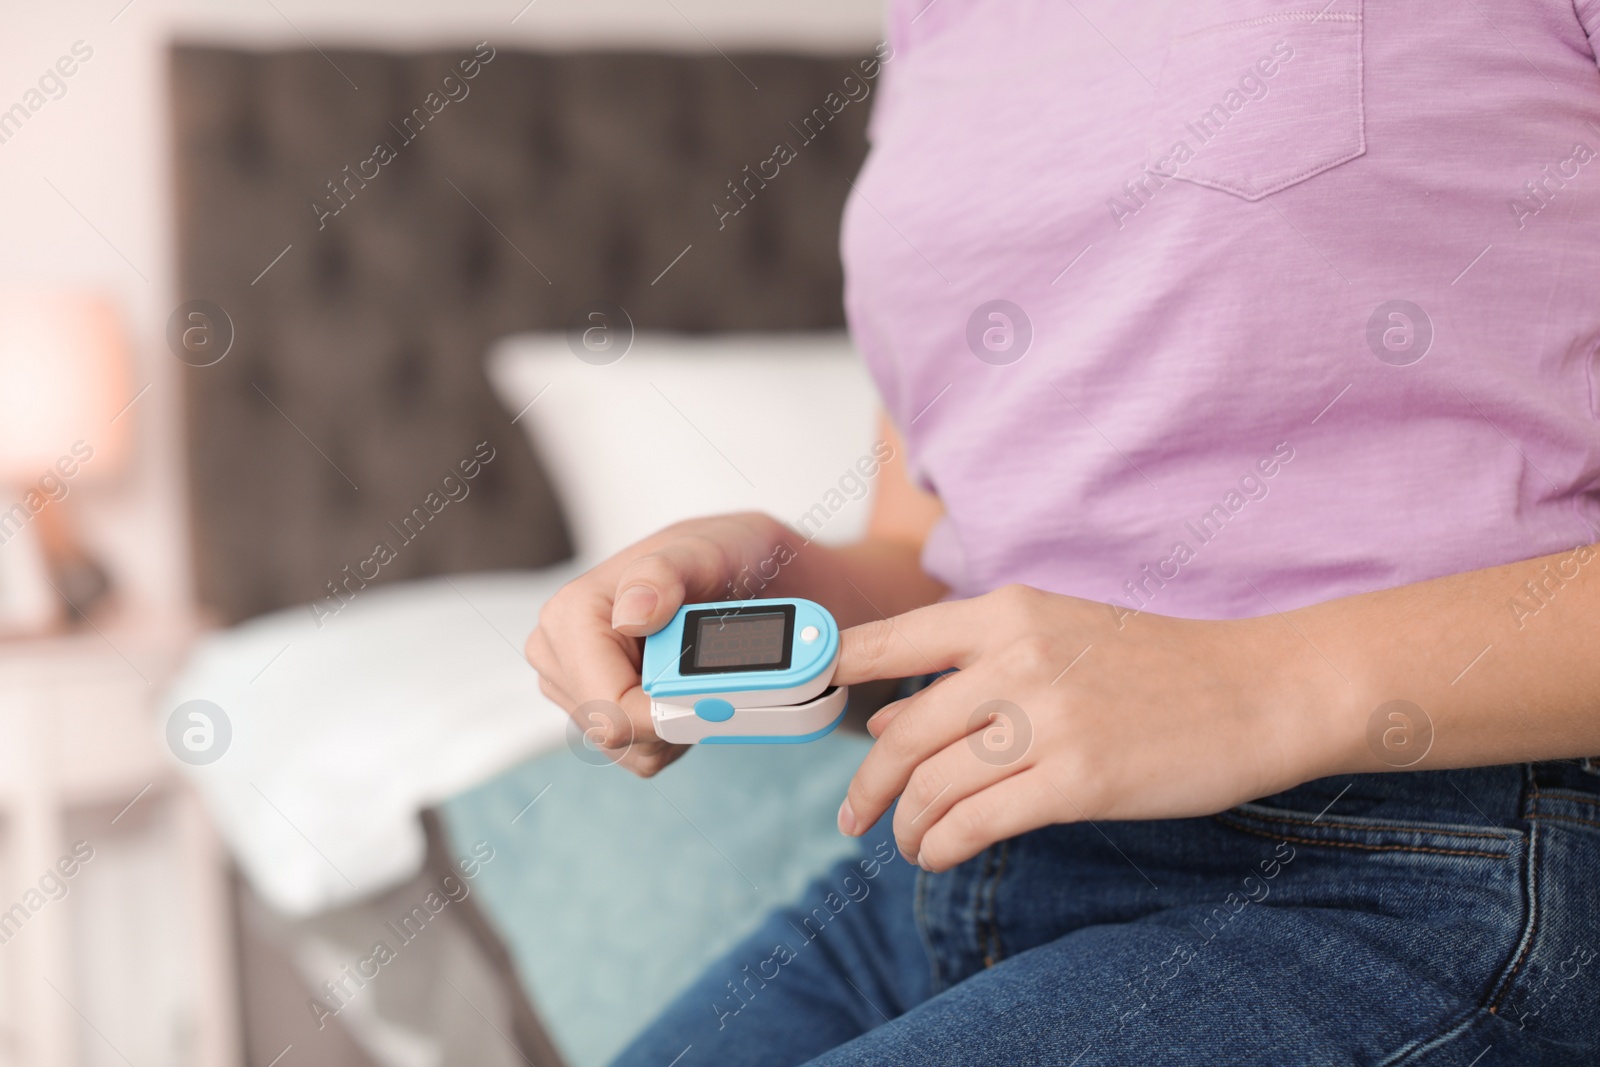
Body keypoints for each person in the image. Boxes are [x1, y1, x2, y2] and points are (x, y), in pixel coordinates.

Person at [527, 1, 1600, 1062]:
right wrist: (783, 577)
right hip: (950, 851)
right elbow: (937, 560)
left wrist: (1259, 682)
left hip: (1418, 872)